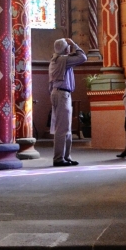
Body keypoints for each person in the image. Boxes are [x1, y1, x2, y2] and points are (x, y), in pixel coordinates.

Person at [48, 37, 87, 167]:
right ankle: (59, 158)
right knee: (62, 129)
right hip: (62, 94)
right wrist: (74, 44)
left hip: (60, 93)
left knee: (66, 128)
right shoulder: (63, 60)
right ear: (65, 48)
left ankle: (66, 156)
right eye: (67, 47)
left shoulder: (57, 59)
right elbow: (83, 57)